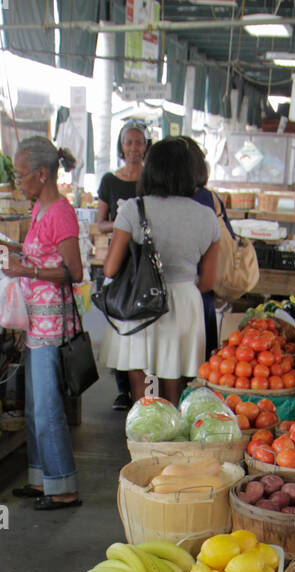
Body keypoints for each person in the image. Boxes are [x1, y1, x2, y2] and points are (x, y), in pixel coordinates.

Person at [99, 137, 220, 407]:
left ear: (151, 169)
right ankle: (174, 440)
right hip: (185, 305)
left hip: (141, 303)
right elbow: (209, 281)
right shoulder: (207, 217)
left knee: (145, 394)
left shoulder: (133, 209)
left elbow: (111, 267)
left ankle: (146, 443)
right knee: (175, 386)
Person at [2, 137, 83, 512]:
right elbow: (32, 254)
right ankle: (41, 480)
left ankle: (64, 487)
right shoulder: (38, 210)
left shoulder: (61, 213)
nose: (18, 182)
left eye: (21, 176)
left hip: (53, 328)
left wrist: (27, 269)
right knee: (35, 408)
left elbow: (74, 271)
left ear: (42, 174)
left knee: (49, 408)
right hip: (35, 324)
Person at [95, 121, 151, 411]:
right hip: (119, 260)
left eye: (139, 142)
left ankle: (143, 388)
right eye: (128, 143)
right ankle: (121, 389)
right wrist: (122, 225)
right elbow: (99, 222)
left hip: (146, 263)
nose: (133, 148)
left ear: (146, 146)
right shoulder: (110, 181)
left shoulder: (152, 179)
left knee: (144, 322)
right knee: (119, 322)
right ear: (121, 147)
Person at [182, 136, 235, 361]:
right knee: (200, 360)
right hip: (203, 290)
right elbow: (228, 238)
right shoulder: (211, 198)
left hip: (176, 291)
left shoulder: (169, 199)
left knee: (170, 362)